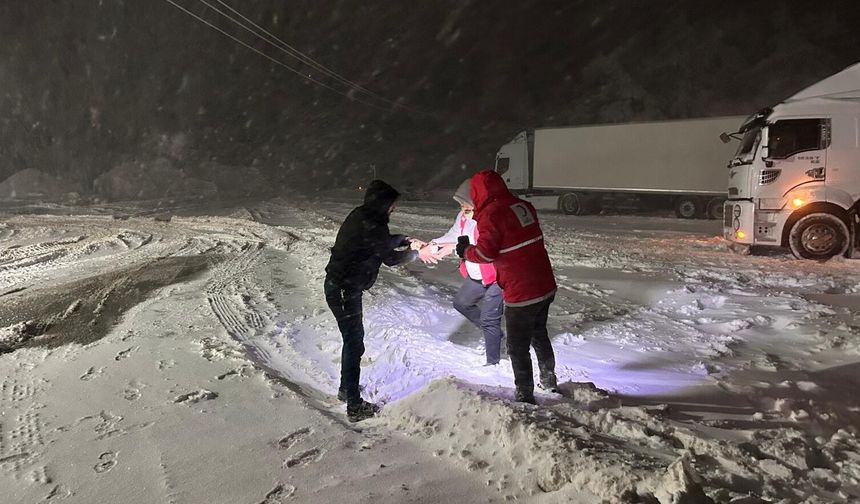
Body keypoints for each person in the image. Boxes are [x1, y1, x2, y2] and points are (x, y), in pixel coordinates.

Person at [324, 180, 436, 421]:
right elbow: (391, 259)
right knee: (354, 344)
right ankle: (354, 406)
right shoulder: (373, 223)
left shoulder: (363, 216)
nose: (392, 210)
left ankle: (347, 390)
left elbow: (381, 242)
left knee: (354, 342)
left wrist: (405, 238)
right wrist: (418, 253)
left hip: (344, 288)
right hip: (344, 290)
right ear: (383, 204)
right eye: (392, 205)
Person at [457, 170, 558, 404]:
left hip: (521, 290)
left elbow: (485, 252)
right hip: (543, 283)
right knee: (539, 333)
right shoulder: (521, 205)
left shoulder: (492, 213)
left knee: (517, 346)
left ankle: (525, 394)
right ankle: (549, 380)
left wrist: (465, 251)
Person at [429, 179, 504, 366]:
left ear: (478, 200)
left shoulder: (490, 218)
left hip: (497, 276)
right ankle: (494, 333)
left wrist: (454, 248)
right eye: (460, 203)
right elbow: (455, 235)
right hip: (477, 274)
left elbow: (482, 248)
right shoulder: (463, 216)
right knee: (461, 303)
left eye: (466, 202)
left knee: (489, 318)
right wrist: (436, 243)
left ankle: (493, 362)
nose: (463, 206)